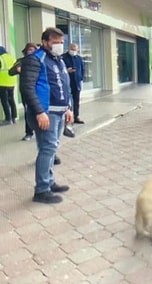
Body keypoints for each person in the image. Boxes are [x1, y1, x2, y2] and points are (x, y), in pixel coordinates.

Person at [20, 27, 74, 204]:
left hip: (59, 112)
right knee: (47, 149)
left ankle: (49, 183)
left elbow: (63, 85)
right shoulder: (35, 59)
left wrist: (67, 107)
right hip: (45, 113)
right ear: (44, 42)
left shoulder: (58, 60)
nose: (59, 45)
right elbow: (27, 88)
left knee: (51, 148)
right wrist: (39, 112)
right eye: (55, 42)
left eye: (61, 42)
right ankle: (42, 190)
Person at [8, 42, 38, 140]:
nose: (31, 52)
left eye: (33, 50)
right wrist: (17, 69)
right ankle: (29, 132)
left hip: (38, 90)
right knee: (28, 112)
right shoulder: (21, 61)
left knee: (40, 111)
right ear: (25, 51)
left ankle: (40, 131)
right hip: (26, 91)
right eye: (29, 50)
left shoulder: (40, 60)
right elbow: (10, 72)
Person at [62, 43, 85, 124]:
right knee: (67, 101)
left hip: (77, 83)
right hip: (67, 83)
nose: (73, 51)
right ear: (69, 48)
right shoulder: (63, 57)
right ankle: (67, 117)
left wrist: (81, 78)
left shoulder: (79, 58)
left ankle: (76, 117)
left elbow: (82, 69)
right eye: (72, 49)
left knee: (76, 101)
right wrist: (67, 71)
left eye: (75, 50)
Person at [0, 46, 17, 125]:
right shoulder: (11, 57)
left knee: (5, 101)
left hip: (3, 83)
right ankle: (14, 117)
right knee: (11, 100)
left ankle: (8, 119)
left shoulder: (0, 58)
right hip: (12, 82)